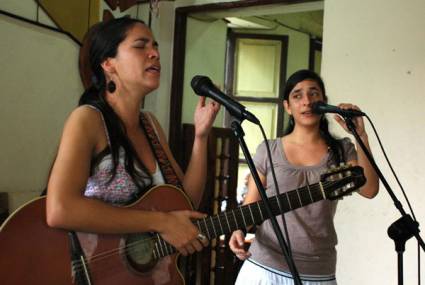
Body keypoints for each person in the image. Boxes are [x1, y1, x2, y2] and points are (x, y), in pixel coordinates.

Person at [46, 16, 220, 257]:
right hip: (93, 272)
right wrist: (160, 222)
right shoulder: (88, 119)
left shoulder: (150, 125)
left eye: (155, 45)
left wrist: (201, 137)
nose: (155, 53)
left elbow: (185, 203)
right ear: (108, 64)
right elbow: (60, 209)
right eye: (141, 46)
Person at [229, 69, 379, 284]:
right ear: (287, 107)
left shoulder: (341, 149)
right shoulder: (269, 150)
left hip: (317, 270)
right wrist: (239, 228)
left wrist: (360, 135)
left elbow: (370, 189)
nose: (307, 101)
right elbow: (251, 206)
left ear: (324, 102)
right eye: (297, 95)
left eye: (314, 93)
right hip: (264, 265)